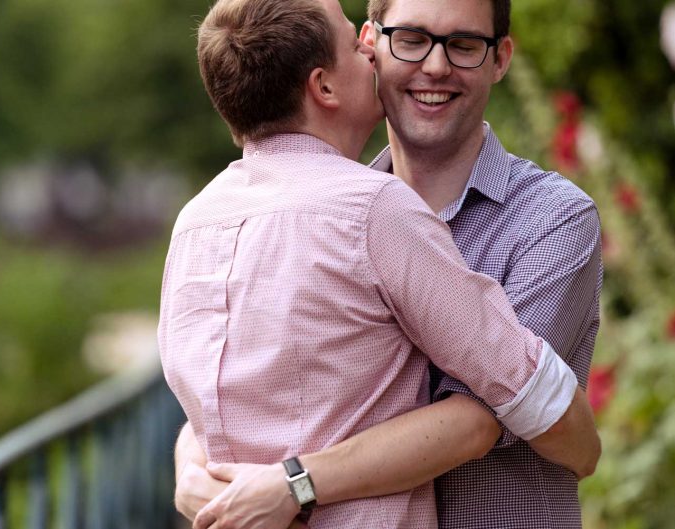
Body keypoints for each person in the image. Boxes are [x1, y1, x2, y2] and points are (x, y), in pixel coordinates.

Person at [161, 0, 601, 527]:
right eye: (410, 39)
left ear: (500, 58)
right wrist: (192, 462)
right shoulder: (363, 210)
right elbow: (238, 382)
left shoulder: (552, 219)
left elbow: (483, 417)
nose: (436, 66)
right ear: (373, 43)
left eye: (463, 45)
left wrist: (284, 479)